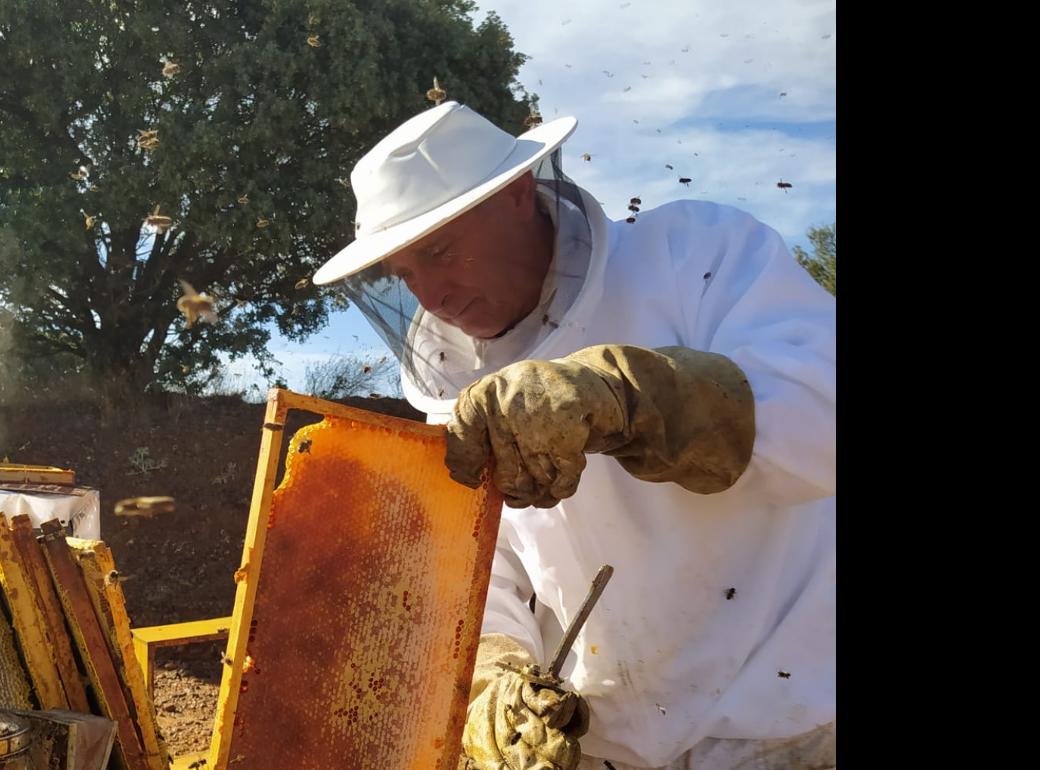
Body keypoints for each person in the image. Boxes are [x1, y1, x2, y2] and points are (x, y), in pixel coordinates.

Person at [312, 102, 835, 770]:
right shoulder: (457, 392)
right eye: (406, 275)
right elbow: (487, 565)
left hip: (785, 726)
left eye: (441, 252)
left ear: (517, 194)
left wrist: (630, 397)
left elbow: (822, 416)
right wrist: (494, 675)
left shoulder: (696, 255)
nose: (431, 295)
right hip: (603, 745)